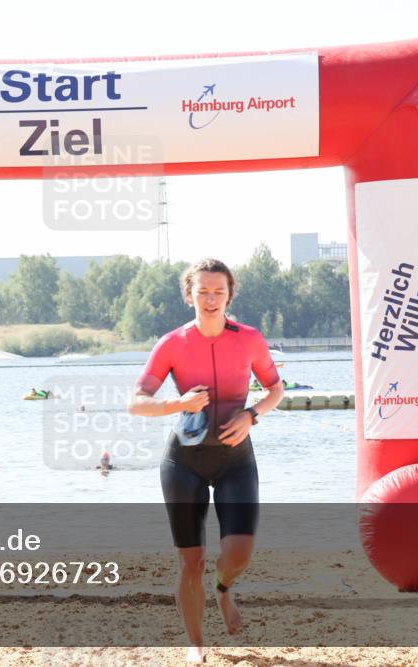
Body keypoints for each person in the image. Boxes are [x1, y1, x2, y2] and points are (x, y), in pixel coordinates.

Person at [128, 258, 284, 663]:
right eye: (203, 291)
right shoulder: (172, 343)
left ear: (230, 294)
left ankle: (224, 590)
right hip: (184, 462)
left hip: (236, 459)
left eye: (219, 291)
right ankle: (196, 646)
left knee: (239, 552)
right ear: (189, 295)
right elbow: (136, 403)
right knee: (190, 560)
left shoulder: (249, 339)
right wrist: (176, 403)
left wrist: (251, 415)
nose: (211, 299)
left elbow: (275, 390)